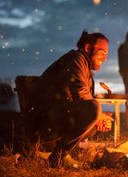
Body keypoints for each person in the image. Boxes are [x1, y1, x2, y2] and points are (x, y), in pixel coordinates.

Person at [25, 30, 113, 167]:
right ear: (88, 48)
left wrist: (100, 118)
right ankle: (58, 157)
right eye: (102, 52)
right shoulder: (75, 59)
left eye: (106, 54)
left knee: (94, 117)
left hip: (54, 118)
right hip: (41, 120)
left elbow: (84, 102)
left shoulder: (87, 70)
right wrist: (98, 115)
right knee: (94, 109)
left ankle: (57, 152)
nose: (105, 58)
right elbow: (81, 94)